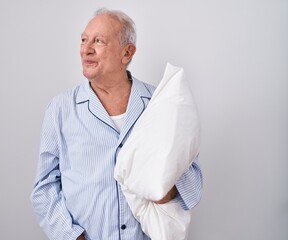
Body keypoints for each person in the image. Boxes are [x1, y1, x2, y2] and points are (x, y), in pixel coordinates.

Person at [30, 8, 203, 240]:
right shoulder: (60, 109)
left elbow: (194, 184)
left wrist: (162, 189)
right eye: (83, 40)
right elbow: (44, 189)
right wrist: (72, 237)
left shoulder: (160, 104)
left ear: (127, 53)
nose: (86, 49)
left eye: (98, 41)